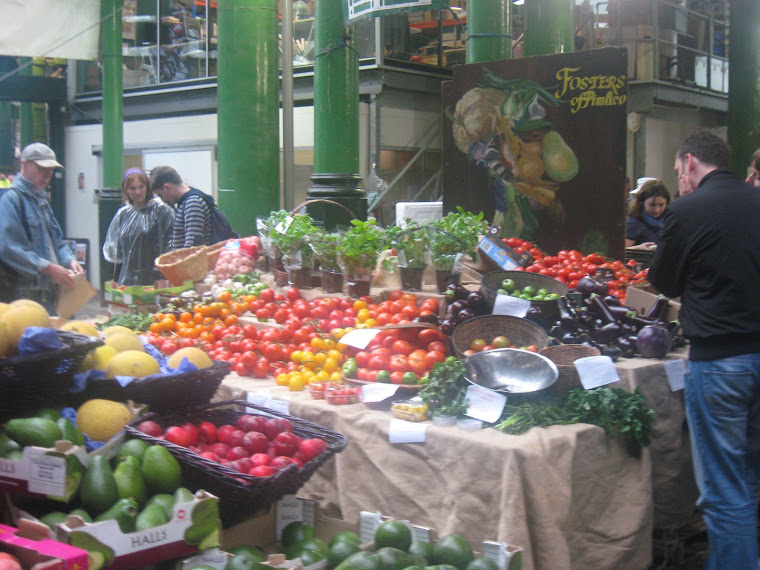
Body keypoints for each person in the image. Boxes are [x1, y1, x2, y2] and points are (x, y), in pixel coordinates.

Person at [648, 129, 760, 570]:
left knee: (722, 491)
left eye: (679, 173)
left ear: (691, 162)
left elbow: (663, 281)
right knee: (747, 481)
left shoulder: (687, 210)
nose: (679, 182)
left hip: (720, 365)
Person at [0, 143, 82, 311]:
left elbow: (57, 242)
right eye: (41, 169)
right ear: (24, 164)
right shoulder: (12, 200)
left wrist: (70, 260)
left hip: (50, 293)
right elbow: (9, 249)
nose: (47, 175)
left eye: (50, 170)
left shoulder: (42, 201)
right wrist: (48, 268)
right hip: (26, 295)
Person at [102, 168, 175, 286]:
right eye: (133, 188)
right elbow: (115, 249)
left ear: (147, 187)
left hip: (156, 278)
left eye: (141, 187)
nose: (138, 192)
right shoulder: (123, 214)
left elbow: (172, 244)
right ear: (126, 190)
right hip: (128, 279)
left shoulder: (161, 211)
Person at [150, 165, 213, 250]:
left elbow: (192, 248)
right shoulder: (186, 202)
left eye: (161, 195)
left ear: (167, 187)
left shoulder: (192, 203)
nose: (163, 200)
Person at [624, 179, 671, 248]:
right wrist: (638, 248)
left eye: (661, 205)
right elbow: (621, 252)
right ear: (642, 202)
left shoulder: (669, 222)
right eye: (652, 205)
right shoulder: (634, 224)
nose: (657, 210)